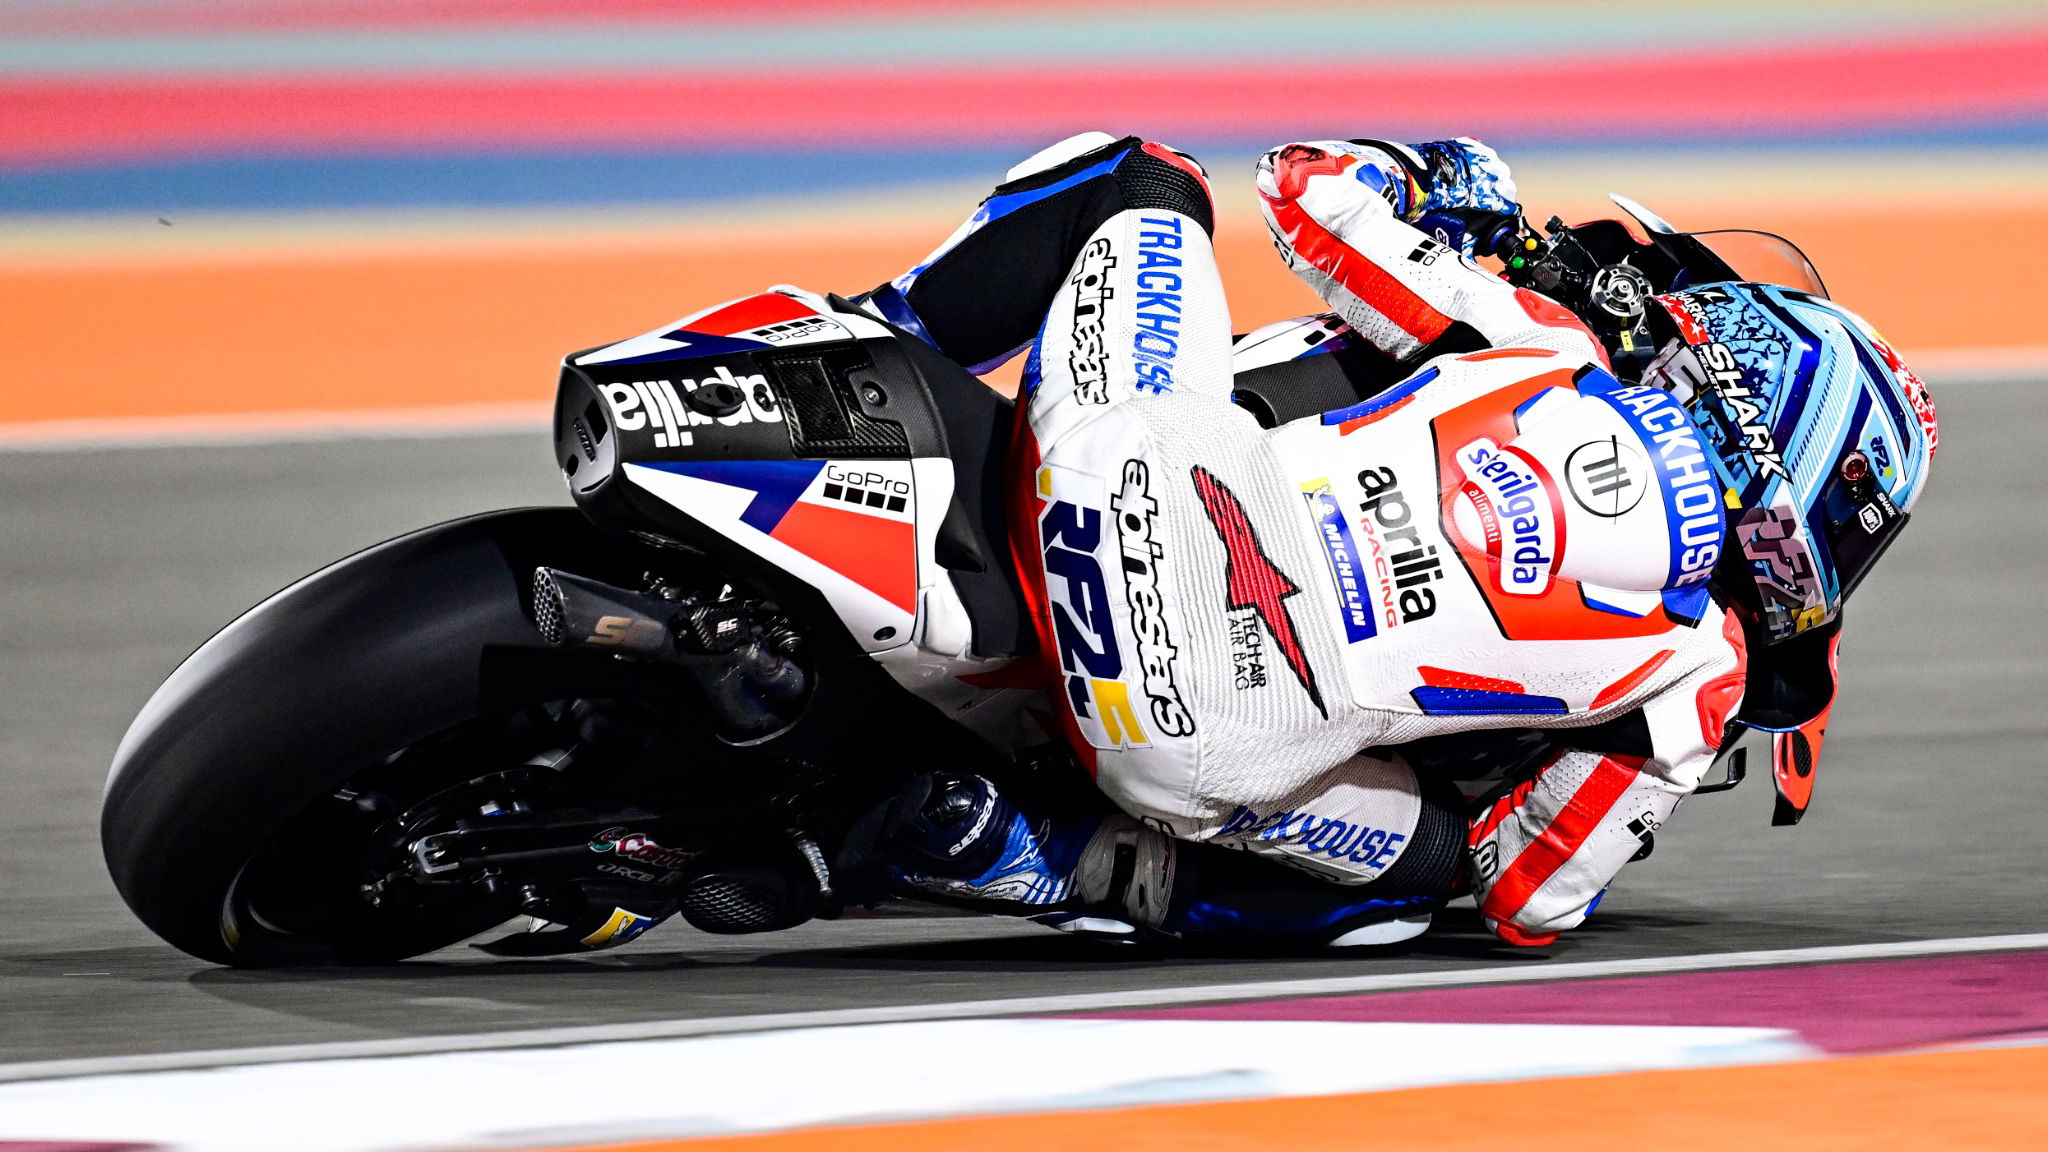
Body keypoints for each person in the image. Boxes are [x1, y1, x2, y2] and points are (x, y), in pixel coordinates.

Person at [841, 131, 1937, 947]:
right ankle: (1037, 858)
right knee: (1427, 879)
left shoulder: (1544, 339)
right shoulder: (1705, 672)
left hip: (1094, 488)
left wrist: (1450, 191)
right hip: (1179, 742)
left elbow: (1301, 185)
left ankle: (866, 345)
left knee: (1140, 177)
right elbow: (1527, 899)